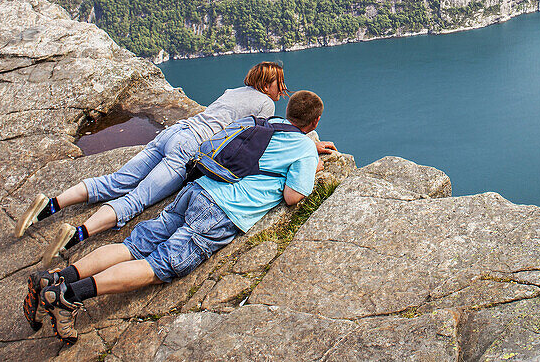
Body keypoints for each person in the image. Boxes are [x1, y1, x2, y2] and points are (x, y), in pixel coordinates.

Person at [24, 89, 327, 345]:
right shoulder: (304, 150)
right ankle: (66, 295)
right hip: (220, 212)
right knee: (158, 267)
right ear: (314, 122)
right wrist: (312, 167)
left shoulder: (265, 122)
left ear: (289, 112)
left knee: (134, 246)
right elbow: (293, 196)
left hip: (197, 188)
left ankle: (55, 279)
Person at [15, 61, 332, 264]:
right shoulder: (264, 104)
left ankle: (51, 204)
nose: (282, 90)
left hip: (177, 131)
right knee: (137, 200)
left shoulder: (232, 91)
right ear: (268, 84)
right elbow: (263, 139)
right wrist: (310, 146)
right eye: (280, 85)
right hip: (190, 149)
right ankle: (78, 234)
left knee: (117, 181)